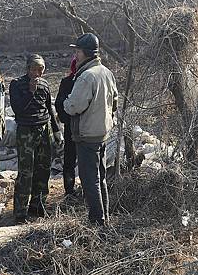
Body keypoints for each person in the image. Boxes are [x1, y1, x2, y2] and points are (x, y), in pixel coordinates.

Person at [63, 34, 118, 226]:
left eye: (77, 51)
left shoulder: (86, 76)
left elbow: (74, 106)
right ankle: (105, 219)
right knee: (100, 178)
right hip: (102, 134)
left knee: (89, 181)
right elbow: (115, 102)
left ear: (85, 53)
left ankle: (97, 222)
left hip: (87, 135)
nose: (75, 55)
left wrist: (65, 103)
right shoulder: (106, 72)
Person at [9, 54, 62, 224]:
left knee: (43, 169)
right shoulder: (17, 85)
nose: (38, 73)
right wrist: (30, 92)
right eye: (34, 69)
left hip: (43, 129)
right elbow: (17, 109)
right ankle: (20, 212)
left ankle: (38, 206)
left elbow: (49, 109)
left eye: (41, 69)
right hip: (26, 130)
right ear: (28, 69)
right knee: (26, 172)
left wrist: (56, 131)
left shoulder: (45, 85)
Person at [55, 56, 78, 195]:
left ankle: (69, 190)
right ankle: (70, 190)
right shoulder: (70, 82)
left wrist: (66, 119)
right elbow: (59, 104)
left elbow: (59, 104)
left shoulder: (68, 81)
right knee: (71, 158)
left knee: (70, 158)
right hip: (79, 126)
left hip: (72, 125)